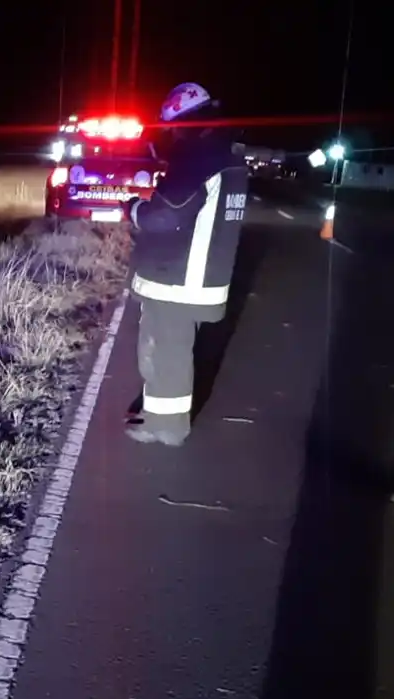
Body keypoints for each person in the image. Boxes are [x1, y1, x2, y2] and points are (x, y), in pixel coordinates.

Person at [121, 82, 251, 446]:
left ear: (182, 121)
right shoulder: (225, 153)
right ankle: (164, 418)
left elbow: (166, 216)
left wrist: (133, 209)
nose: (171, 135)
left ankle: (167, 426)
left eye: (172, 127)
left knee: (165, 350)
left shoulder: (198, 157)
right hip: (200, 273)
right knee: (172, 348)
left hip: (178, 275)